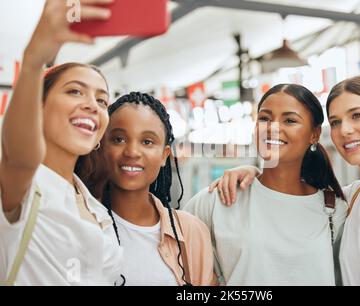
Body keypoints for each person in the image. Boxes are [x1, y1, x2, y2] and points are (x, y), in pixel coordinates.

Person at [210, 76, 360, 286]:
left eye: (357, 115)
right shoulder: (349, 200)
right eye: (335, 122)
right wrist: (251, 170)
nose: (345, 129)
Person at [0, 0, 123, 285]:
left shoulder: (96, 208)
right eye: (75, 92)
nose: (92, 105)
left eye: (102, 100)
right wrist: (33, 60)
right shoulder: (23, 186)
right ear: (37, 109)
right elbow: (19, 158)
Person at [184, 84, 348, 285]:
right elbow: (175, 262)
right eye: (264, 118)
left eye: (289, 120)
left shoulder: (335, 210)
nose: (272, 127)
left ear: (314, 134)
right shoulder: (216, 201)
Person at [77, 92, 216, 286]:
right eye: (118, 139)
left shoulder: (191, 231)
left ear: (164, 155)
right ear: (101, 146)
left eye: (147, 142)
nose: (132, 152)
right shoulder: (79, 223)